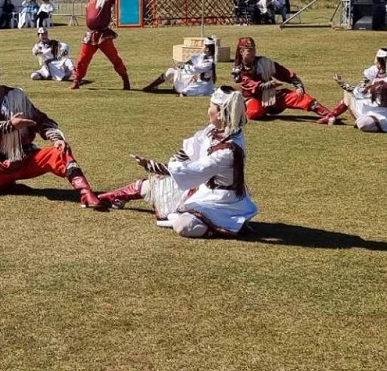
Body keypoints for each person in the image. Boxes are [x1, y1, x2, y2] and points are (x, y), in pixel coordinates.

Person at [97, 86, 258, 237]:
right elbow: (190, 149)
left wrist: (153, 166)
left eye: (211, 106)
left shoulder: (228, 151)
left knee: (184, 225)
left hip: (220, 201)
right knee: (155, 185)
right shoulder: (215, 130)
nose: (208, 110)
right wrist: (168, 168)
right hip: (203, 188)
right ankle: (109, 197)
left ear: (220, 114)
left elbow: (198, 169)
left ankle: (224, 224)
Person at [0, 53, 102, 206]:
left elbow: (41, 120)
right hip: (2, 164)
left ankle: (86, 193)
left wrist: (56, 139)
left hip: (28, 157)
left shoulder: (15, 95)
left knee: (60, 153)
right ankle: (5, 186)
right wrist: (11, 125)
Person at [230, 36, 332, 121]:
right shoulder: (237, 71)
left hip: (271, 96)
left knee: (298, 96)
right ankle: (251, 109)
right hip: (254, 99)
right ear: (241, 51)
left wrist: (297, 84)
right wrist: (269, 84)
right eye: (249, 50)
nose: (253, 53)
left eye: (254, 49)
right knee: (254, 112)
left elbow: (282, 72)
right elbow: (251, 84)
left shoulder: (263, 62)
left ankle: (328, 114)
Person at [319, 48, 387, 132]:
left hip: (384, 113)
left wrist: (340, 82)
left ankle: (332, 116)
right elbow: (361, 86)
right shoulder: (379, 72)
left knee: (362, 124)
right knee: (350, 96)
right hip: (376, 108)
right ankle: (331, 116)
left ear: (379, 61)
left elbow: (359, 91)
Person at [69, 0, 131, 90]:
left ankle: (125, 78)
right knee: (83, 59)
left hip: (103, 35)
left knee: (114, 58)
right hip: (90, 35)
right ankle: (76, 80)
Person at [143, 36, 217, 96]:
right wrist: (183, 64)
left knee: (171, 72)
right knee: (172, 70)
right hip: (190, 78)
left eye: (204, 45)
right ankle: (151, 86)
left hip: (194, 84)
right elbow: (192, 60)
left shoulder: (209, 62)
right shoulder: (203, 56)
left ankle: (151, 87)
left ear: (207, 49)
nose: (202, 47)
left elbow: (196, 69)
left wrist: (183, 67)